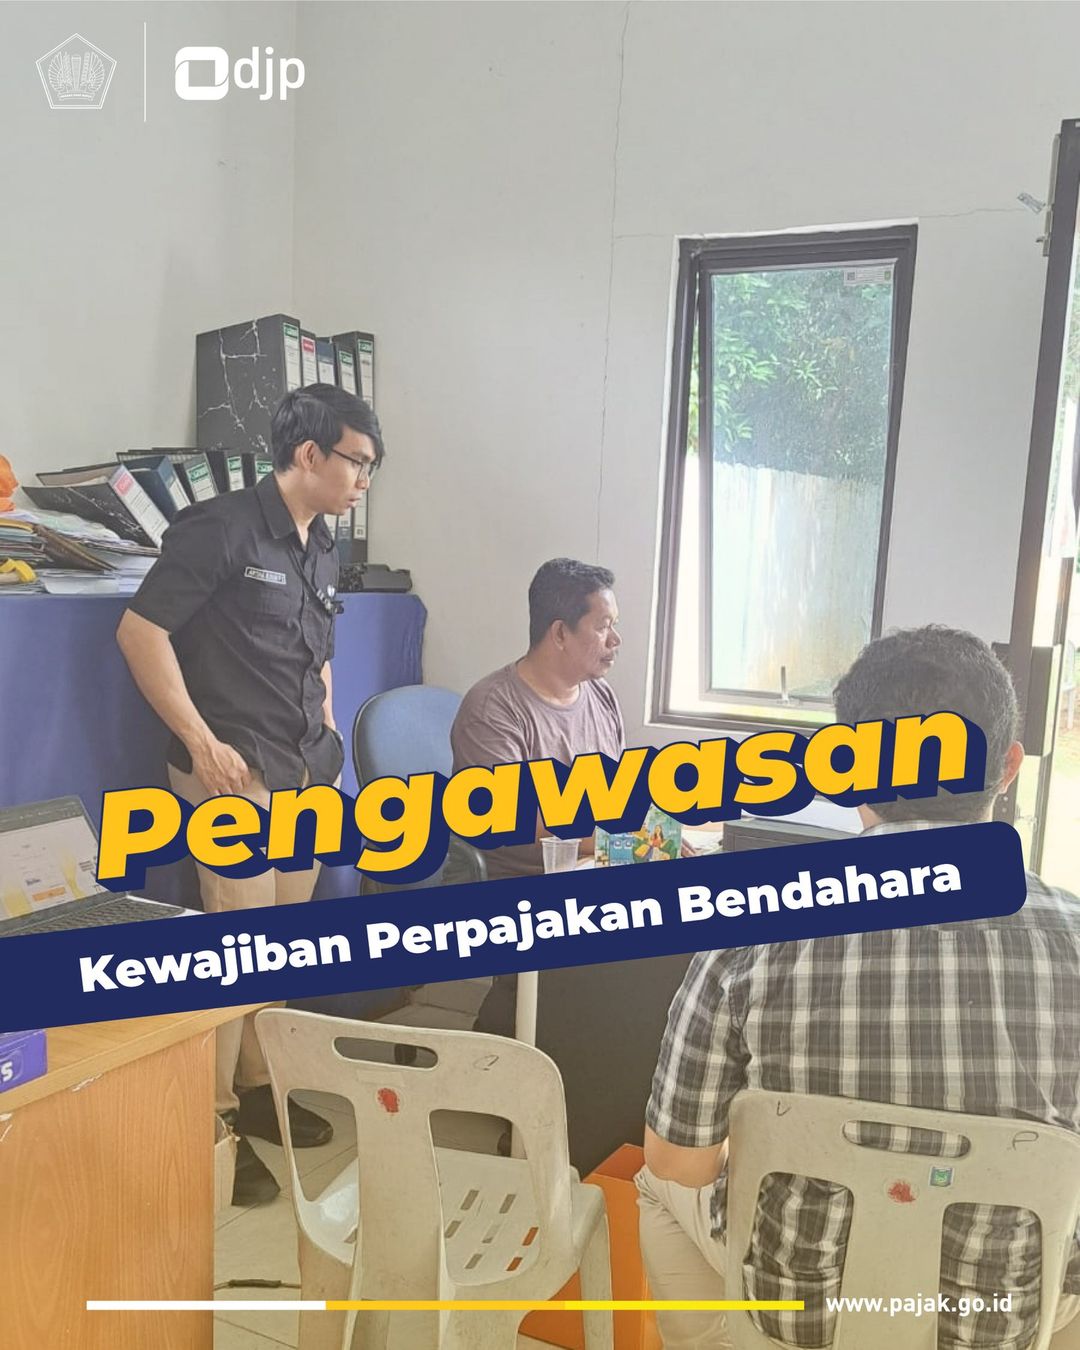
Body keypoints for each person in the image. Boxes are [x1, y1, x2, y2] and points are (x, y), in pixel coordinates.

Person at [638, 626, 1080, 1350]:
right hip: (1001, 1323)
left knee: (653, 1183)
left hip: (798, 1316)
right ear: (1009, 766)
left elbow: (677, 1160)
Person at [116, 384, 383, 1206]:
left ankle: (261, 1088)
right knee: (237, 952)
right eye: (357, 463)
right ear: (309, 454)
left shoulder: (322, 544)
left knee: (281, 946)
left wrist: (329, 736)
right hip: (232, 775)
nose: (363, 480)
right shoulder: (221, 528)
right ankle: (214, 1123)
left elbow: (318, 655)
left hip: (304, 773)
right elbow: (140, 632)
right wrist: (201, 742)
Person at [451, 557, 625, 1032]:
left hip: (588, 867)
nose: (615, 640)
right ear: (560, 633)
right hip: (521, 883)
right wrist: (622, 844)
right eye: (603, 627)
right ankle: (513, 1049)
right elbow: (521, 820)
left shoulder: (600, 696)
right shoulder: (493, 708)